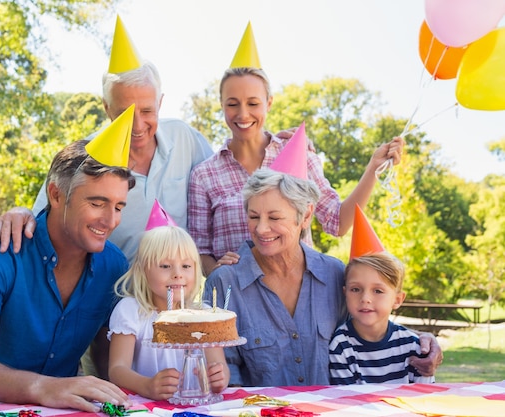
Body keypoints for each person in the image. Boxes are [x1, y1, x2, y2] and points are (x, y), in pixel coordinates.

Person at [0, 136, 136, 412]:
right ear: (56, 194)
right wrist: (42, 387)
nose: (111, 221)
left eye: (119, 207)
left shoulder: (114, 266)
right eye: (97, 203)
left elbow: (109, 357)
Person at [0, 25, 213, 264]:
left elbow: (220, 185)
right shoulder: (86, 154)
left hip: (175, 291)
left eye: (147, 111)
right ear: (106, 107)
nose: (137, 125)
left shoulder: (186, 138)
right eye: (125, 113)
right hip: (109, 291)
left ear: (160, 103)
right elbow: (45, 213)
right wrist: (21, 212)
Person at [203, 168, 441, 387]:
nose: (261, 229)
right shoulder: (225, 283)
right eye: (254, 217)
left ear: (305, 216)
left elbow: (367, 330)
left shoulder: (334, 274)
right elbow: (225, 373)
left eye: (274, 218)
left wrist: (421, 341)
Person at [188, 65, 405, 276]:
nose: (243, 114)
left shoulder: (298, 154)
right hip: (237, 298)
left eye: (253, 103)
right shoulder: (204, 175)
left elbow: (337, 222)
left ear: (269, 103)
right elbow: (201, 250)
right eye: (232, 104)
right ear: (222, 105)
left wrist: (373, 168)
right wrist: (217, 272)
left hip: (298, 293)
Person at [108, 225, 229, 400]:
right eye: (165, 266)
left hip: (196, 405)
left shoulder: (203, 315)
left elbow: (220, 366)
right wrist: (147, 386)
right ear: (143, 270)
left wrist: (220, 377)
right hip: (145, 408)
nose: (177, 274)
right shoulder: (130, 310)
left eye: (186, 265)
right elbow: (117, 370)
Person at [329, 252, 435, 385]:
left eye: (378, 291)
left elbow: (423, 398)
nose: (365, 298)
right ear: (345, 293)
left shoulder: (413, 346)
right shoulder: (340, 346)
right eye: (355, 289)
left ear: (397, 300)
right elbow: (346, 400)